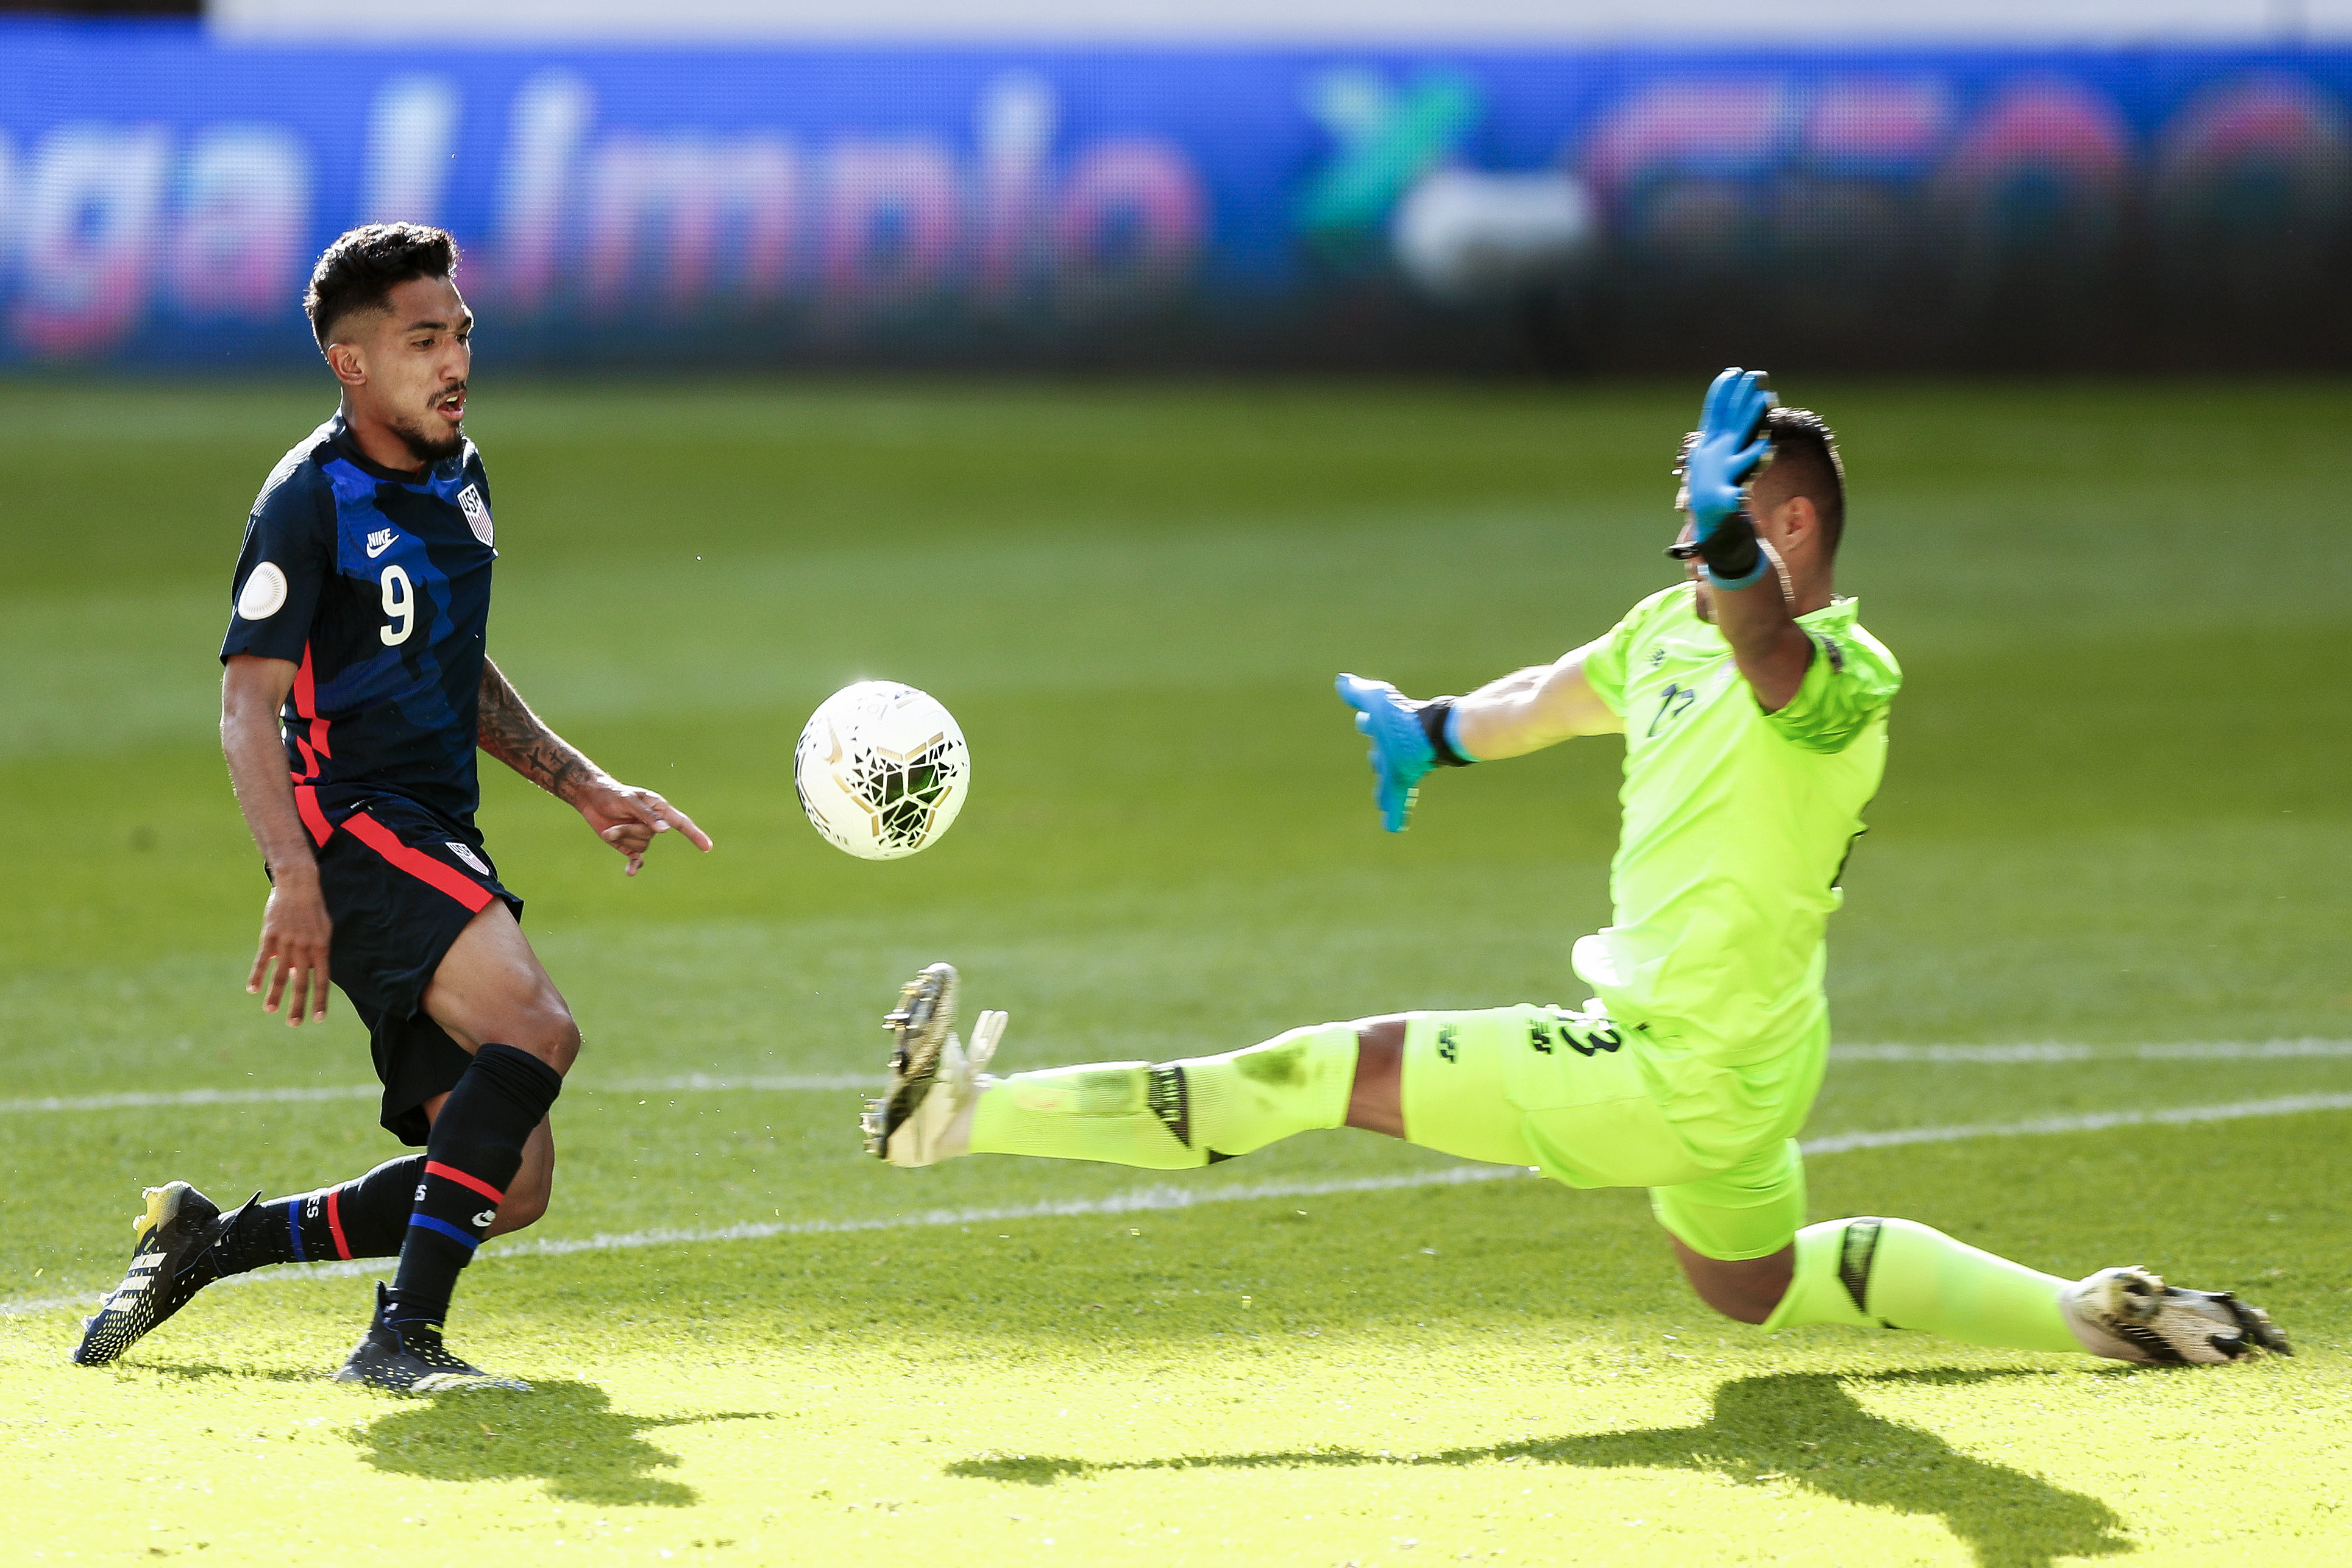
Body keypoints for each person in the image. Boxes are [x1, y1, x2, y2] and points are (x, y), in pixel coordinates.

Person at [858, 369, 2288, 1368]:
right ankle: (2100, 1313)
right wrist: (1432, 735)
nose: (1687, 546)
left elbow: (1766, 652)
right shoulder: (1672, 628)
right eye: (1684, 517)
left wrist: (1723, 551)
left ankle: (963, 1119)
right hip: (1739, 1064)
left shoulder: (1845, 675)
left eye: (1715, 517)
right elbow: (1555, 691)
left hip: (1680, 1060)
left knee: (1305, 1072)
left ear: (1785, 523)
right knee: (1757, 1288)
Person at [73, 224, 712, 1393]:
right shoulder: (308, 501)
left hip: (433, 830)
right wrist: (295, 876)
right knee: (539, 1029)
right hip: (356, 825)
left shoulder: (460, 474)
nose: (456, 359)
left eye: (462, 333)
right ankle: (398, 1340)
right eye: (425, 340)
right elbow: (243, 706)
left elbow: (451, 659)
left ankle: (211, 1241)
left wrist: (580, 783)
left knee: (510, 1186)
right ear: (352, 362)